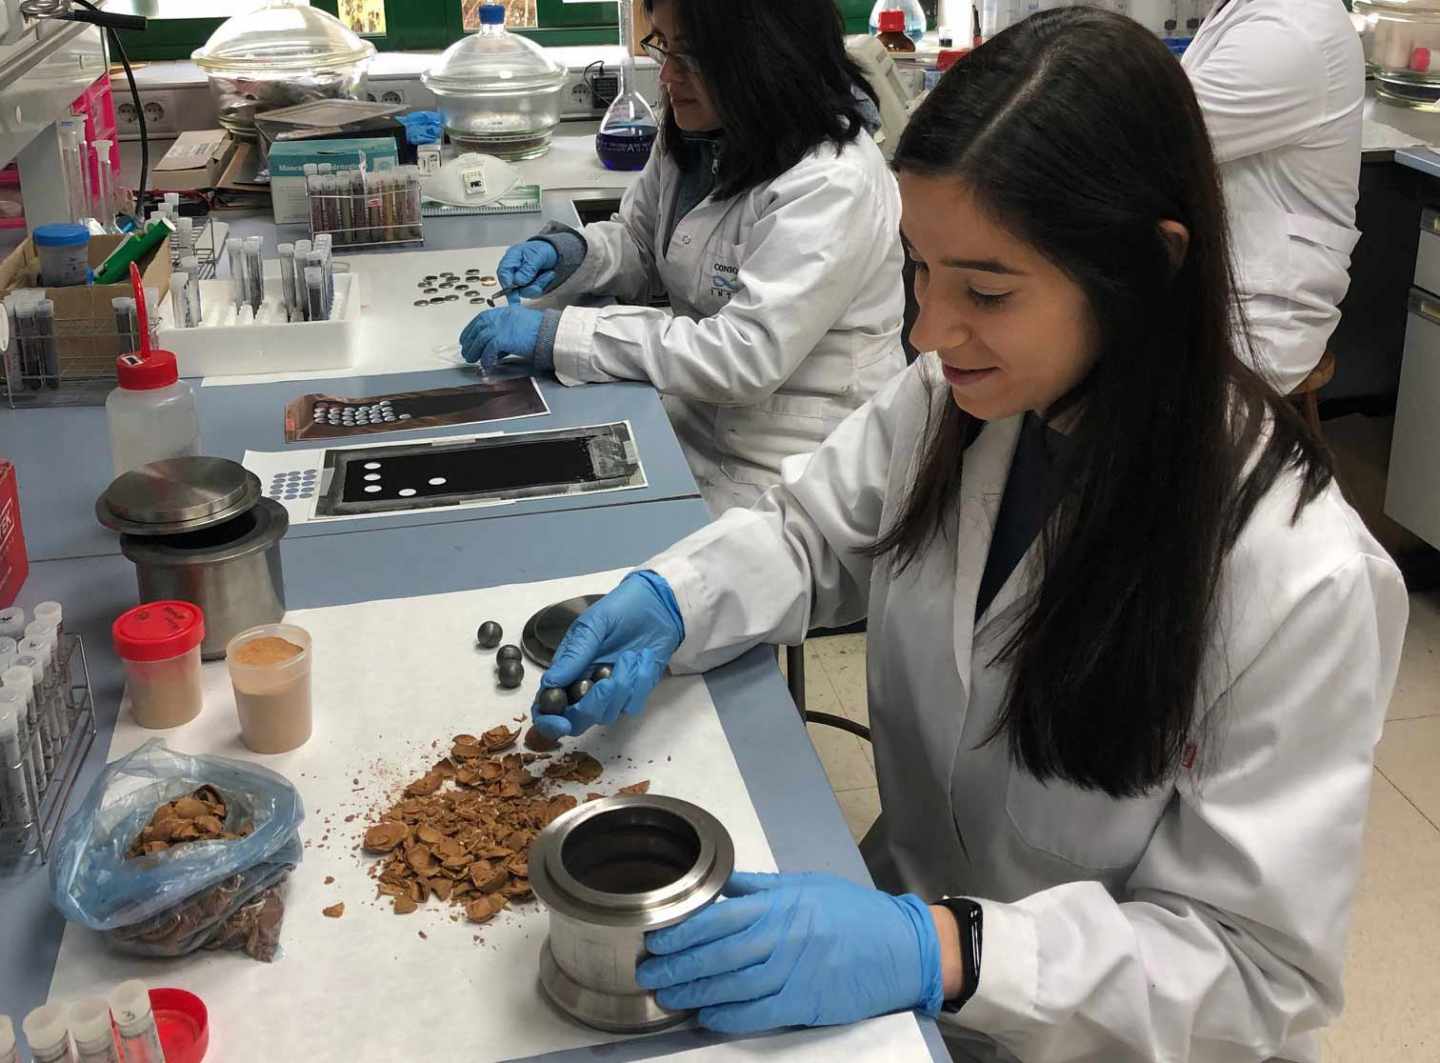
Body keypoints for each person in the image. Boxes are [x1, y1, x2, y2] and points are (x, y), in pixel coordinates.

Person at [523, 9, 1408, 1062]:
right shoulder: (961, 400)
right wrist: (674, 599)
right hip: (914, 939)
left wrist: (945, 950)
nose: (929, 332)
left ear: (1147, 266)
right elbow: (813, 532)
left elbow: (1256, 969)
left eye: (986, 290)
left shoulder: (1298, 579)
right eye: (921, 272)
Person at [458, 0, 906, 514]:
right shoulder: (701, 135)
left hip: (794, 470)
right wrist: (574, 253)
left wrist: (557, 335)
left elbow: (742, 355)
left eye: (692, 56)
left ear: (767, 56)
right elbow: (644, 244)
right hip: (693, 425)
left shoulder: (832, 180)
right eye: (664, 47)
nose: (668, 75)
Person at [1183, 0, 1365, 394]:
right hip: (1219, 282)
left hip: (1259, 316)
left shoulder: (1289, 31)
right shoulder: (1241, 10)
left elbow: (1155, 134)